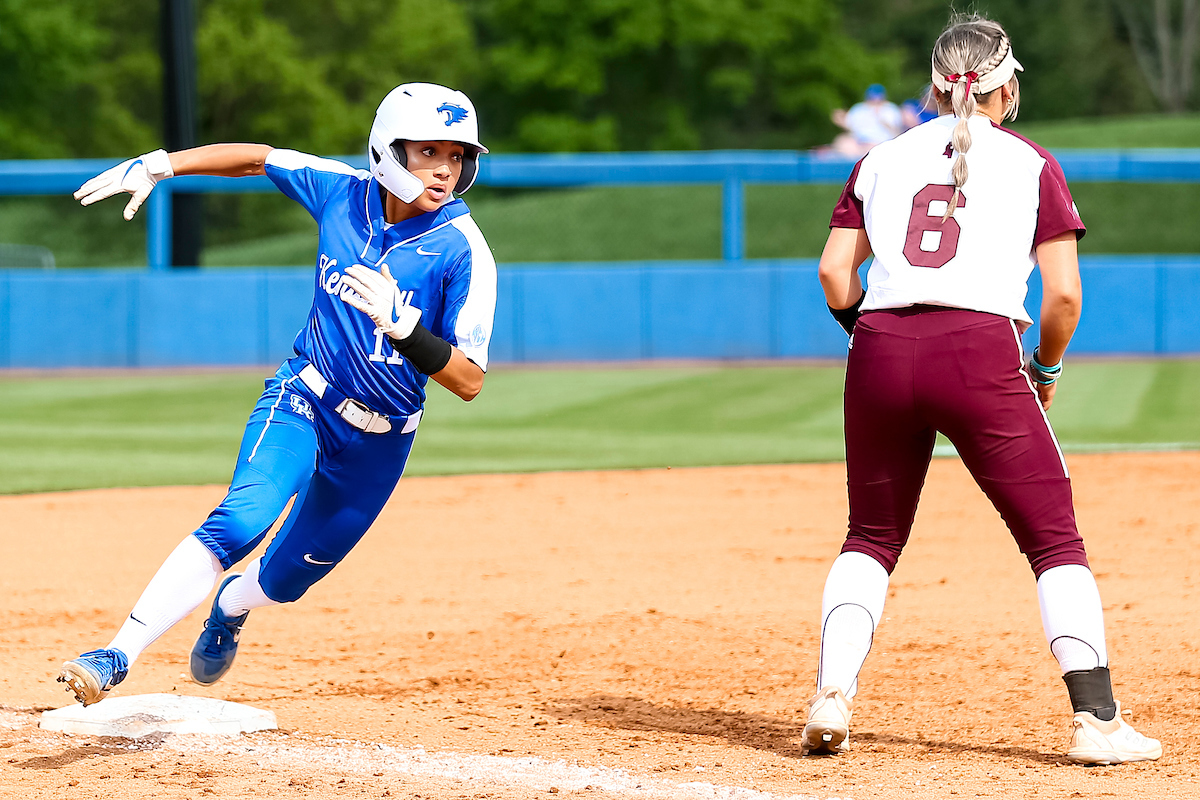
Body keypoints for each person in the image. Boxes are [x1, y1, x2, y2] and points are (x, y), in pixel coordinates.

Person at [58, 83, 497, 705]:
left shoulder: (464, 250)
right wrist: (161, 164)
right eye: (428, 151)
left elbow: (470, 380)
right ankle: (115, 654)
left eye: (457, 156)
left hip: (380, 442)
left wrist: (407, 331)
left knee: (288, 579)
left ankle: (232, 606)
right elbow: (259, 158)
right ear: (389, 149)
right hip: (304, 400)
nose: (445, 169)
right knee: (244, 517)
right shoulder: (342, 192)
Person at [804, 15, 1161, 766]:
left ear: (933, 87)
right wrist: (1046, 369)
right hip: (979, 350)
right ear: (1008, 88)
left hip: (880, 347)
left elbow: (836, 273)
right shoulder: (1031, 162)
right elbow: (1064, 296)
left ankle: (831, 695)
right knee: (1053, 539)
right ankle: (1097, 720)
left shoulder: (879, 157)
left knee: (871, 535)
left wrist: (872, 339)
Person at [830, 84, 904, 158]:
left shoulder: (891, 109)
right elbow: (849, 127)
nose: (875, 101)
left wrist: (880, 118)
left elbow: (897, 132)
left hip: (883, 143)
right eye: (872, 99)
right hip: (860, 144)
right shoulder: (858, 109)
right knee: (842, 141)